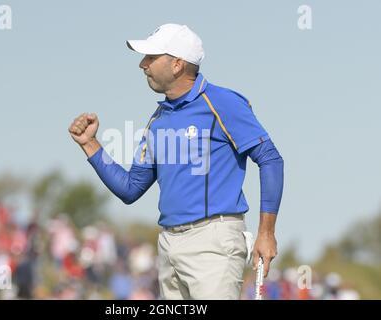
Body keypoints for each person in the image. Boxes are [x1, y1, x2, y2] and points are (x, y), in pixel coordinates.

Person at [69, 23, 284, 300]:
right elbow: (130, 188)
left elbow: (271, 160)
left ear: (177, 65)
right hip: (169, 245)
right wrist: (90, 144)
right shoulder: (158, 120)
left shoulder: (222, 102)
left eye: (151, 57)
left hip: (214, 241)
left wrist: (266, 232)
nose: (142, 65)